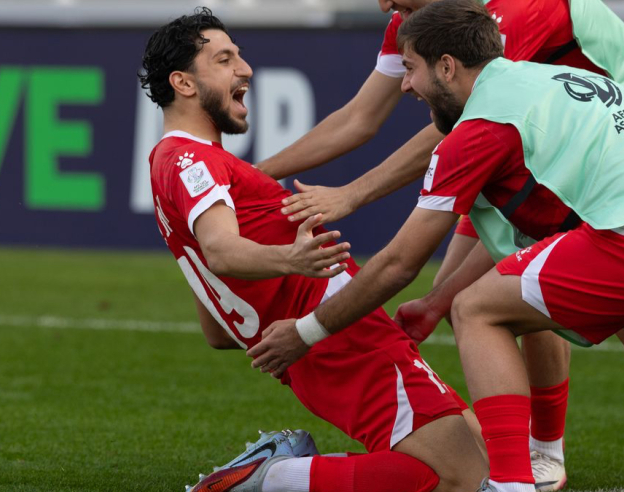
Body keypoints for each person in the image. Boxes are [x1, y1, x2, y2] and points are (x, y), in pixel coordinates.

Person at [247, 2, 624, 492]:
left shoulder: (480, 127)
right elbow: (520, 241)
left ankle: (512, 481)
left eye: (411, 69)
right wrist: (433, 303)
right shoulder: (548, 77)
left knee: (477, 311)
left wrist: (307, 332)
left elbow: (400, 262)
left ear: (447, 66)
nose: (406, 86)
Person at [139, 8, 488, 492]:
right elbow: (221, 252)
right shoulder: (191, 158)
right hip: (340, 334)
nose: (245, 69)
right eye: (224, 59)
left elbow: (218, 330)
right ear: (184, 83)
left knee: (484, 454)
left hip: (325, 344)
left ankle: (280, 475)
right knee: (464, 478)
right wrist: (293, 260)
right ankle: (273, 478)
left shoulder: (177, 165)